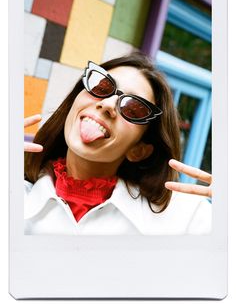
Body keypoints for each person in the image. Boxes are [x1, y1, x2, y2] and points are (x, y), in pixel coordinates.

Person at [24, 53, 212, 235]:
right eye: (102, 86)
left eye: (133, 108)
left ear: (138, 150)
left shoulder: (185, 220)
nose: (107, 104)